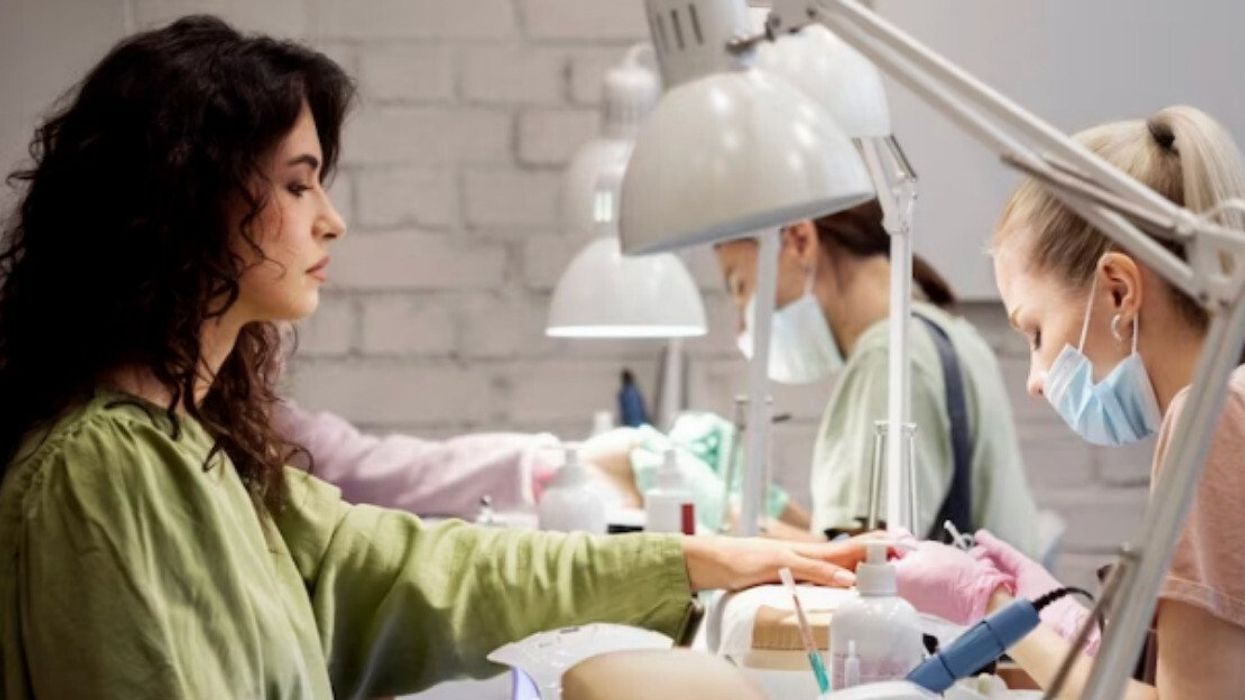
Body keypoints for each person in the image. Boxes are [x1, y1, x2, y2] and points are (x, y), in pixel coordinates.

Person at [0, 16, 869, 698]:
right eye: (298, 184)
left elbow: (428, 568)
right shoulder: (99, 474)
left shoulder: (204, 455)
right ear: (189, 197)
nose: (329, 220)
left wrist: (689, 561)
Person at [895, 105, 1245, 698]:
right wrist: (1051, 618)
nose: (1034, 380)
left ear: (1118, 291)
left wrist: (998, 610)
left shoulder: (1214, 419)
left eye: (1035, 332)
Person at [713, 202, 1041, 554]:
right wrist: (776, 512)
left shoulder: (890, 359)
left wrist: (729, 529)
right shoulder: (946, 334)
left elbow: (868, 564)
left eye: (741, 286)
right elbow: (858, 540)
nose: (741, 326)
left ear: (799, 241)